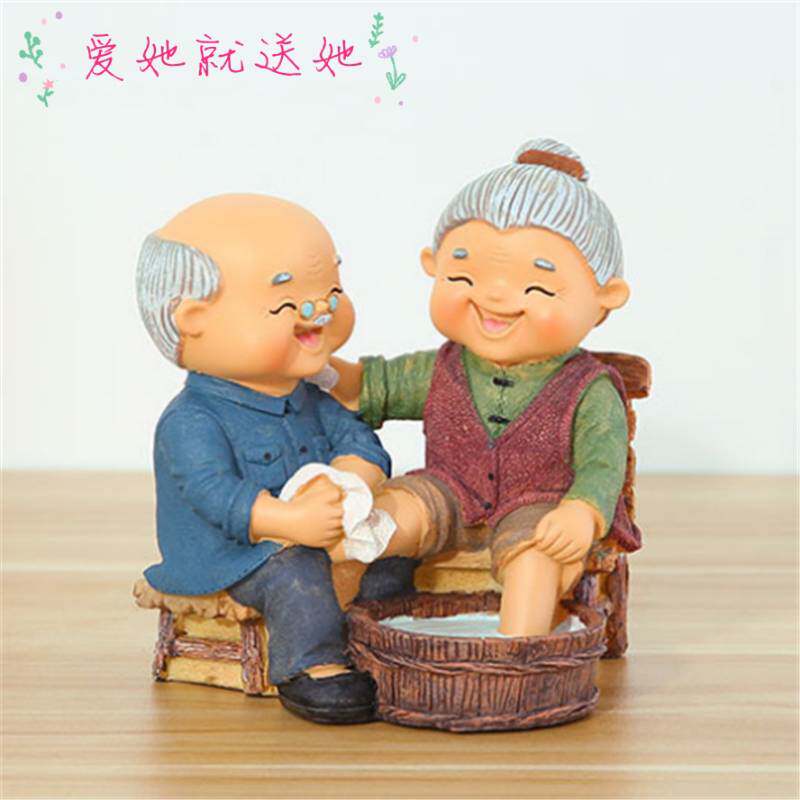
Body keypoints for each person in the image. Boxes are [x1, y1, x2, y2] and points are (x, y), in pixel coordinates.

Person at [331, 138, 641, 637]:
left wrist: (582, 511)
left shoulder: (589, 389)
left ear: (605, 298)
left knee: (537, 557)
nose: (494, 297)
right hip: (446, 493)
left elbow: (603, 465)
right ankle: (331, 631)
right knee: (373, 518)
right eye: (463, 276)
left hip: (537, 508)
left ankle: (516, 656)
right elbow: (369, 386)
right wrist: (315, 366)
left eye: (537, 287)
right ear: (433, 264)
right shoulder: (442, 367)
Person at [136, 193, 413, 724]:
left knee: (392, 555)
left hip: (317, 528)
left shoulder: (310, 397)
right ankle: (312, 666)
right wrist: (288, 521)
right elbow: (217, 497)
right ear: (193, 320)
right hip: (232, 555)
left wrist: (348, 483)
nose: (322, 312)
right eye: (289, 303)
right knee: (296, 573)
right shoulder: (192, 420)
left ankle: (385, 642)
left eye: (332, 291)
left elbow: (362, 443)